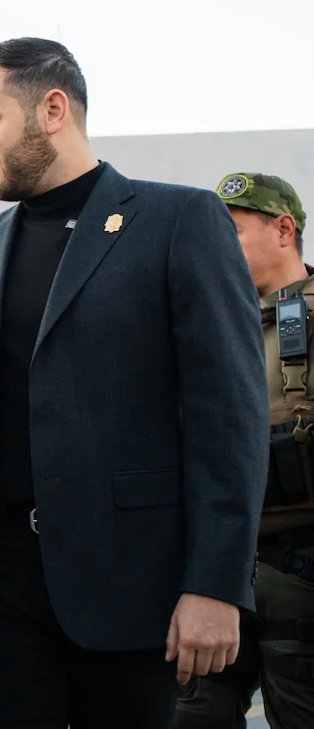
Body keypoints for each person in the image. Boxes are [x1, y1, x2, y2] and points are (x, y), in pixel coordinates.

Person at [0, 37, 269, 729]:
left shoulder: (179, 221)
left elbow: (229, 419)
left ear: (52, 110)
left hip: (130, 585)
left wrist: (215, 584)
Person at [173, 174, 314, 729]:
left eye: (230, 231)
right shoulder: (206, 324)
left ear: (284, 229)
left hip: (301, 573)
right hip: (214, 572)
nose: (216, 247)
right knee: (191, 716)